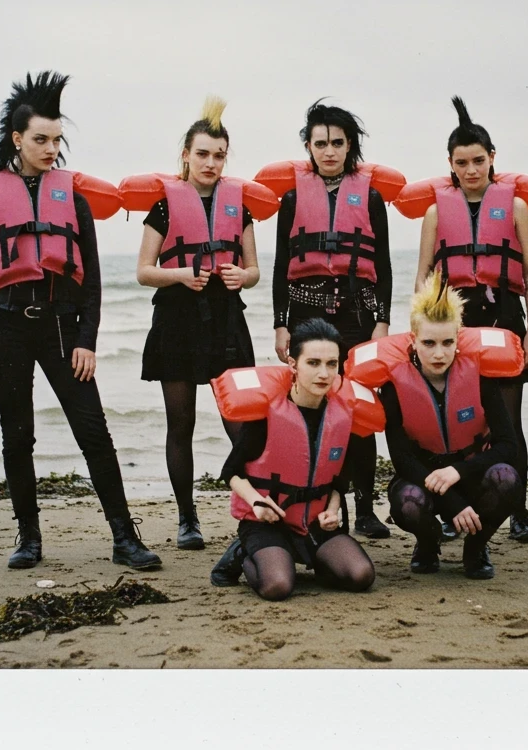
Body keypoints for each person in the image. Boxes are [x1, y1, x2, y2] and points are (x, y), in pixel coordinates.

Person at [0, 71, 160, 570]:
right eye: (41, 140)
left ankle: (123, 537)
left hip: (61, 329)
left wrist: (86, 340)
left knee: (93, 430)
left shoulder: (73, 199)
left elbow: (90, 279)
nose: (51, 149)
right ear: (17, 140)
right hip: (5, 328)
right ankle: (28, 538)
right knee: (17, 435)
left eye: (57, 140)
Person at [414, 97, 528, 543]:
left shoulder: (516, 207)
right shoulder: (435, 212)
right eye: (462, 162)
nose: (471, 170)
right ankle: (458, 507)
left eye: (479, 160)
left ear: (493, 158)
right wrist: (420, 334)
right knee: (457, 420)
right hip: (454, 322)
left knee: (509, 418)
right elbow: (424, 278)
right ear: (449, 163)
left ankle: (520, 509)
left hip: (505, 314)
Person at [137, 96, 260, 550]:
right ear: (185, 155)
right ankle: (187, 519)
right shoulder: (164, 208)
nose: (211, 163)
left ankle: (252, 510)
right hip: (176, 320)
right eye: (202, 153)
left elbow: (254, 271)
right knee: (181, 423)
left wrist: (240, 276)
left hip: (227, 321)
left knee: (241, 421)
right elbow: (144, 270)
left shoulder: (239, 206)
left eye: (219, 155)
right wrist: (181, 276)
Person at [270, 100, 393, 539]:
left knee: (357, 412)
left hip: (358, 316)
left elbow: (384, 264)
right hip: (305, 313)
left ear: (350, 146)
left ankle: (364, 508)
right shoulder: (291, 200)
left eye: (337, 143)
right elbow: (282, 265)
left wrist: (383, 323)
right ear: (309, 146)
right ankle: (309, 501)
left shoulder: (371, 197)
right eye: (320, 143)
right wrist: (280, 323)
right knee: (310, 410)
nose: (328, 151)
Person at [209, 319, 377, 599]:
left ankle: (303, 555)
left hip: (313, 522)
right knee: (278, 587)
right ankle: (241, 552)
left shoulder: (343, 416)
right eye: (313, 363)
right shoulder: (267, 413)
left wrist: (332, 511)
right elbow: (231, 472)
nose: (324, 374)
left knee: (360, 576)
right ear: (293, 364)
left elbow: (339, 481)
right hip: (267, 520)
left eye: (332, 364)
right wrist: (257, 503)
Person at [372, 275, 523, 579]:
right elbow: (401, 459)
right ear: (413, 339)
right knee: (407, 504)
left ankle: (476, 547)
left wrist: (459, 472)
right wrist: (452, 503)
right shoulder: (394, 388)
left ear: (458, 338)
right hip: (422, 477)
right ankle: (428, 544)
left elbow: (509, 444)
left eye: (447, 342)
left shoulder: (480, 377)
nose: (438, 353)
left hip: (471, 473)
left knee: (507, 479)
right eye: (428, 343)